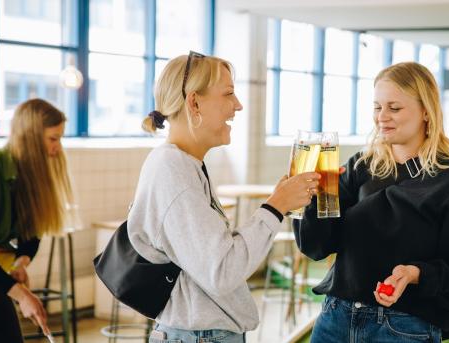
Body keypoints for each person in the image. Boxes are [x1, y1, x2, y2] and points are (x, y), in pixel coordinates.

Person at [128, 51, 320, 343]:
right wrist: (276, 206)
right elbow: (222, 271)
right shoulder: (172, 169)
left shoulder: (184, 164)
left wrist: (279, 202)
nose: (238, 105)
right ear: (194, 102)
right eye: (229, 93)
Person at [294, 62, 449, 342]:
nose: (382, 117)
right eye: (377, 107)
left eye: (394, 108)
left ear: (426, 111)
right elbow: (317, 246)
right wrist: (312, 199)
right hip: (335, 317)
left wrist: (416, 274)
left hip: (405, 326)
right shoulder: (360, 168)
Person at [0, 98, 74, 342]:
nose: (58, 148)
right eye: (53, 138)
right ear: (30, 137)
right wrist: (20, 293)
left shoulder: (28, 179)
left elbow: (33, 232)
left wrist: (20, 262)